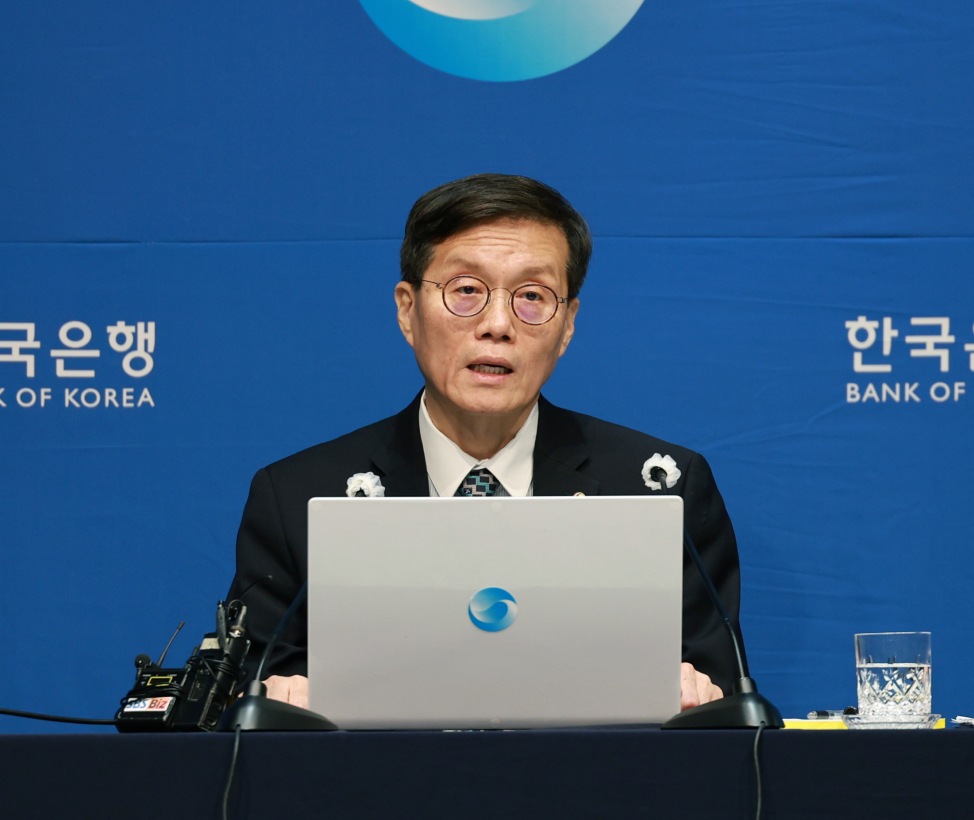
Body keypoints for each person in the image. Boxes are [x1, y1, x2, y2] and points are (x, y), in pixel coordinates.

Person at [228, 174, 745, 713]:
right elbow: (258, 693)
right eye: (467, 291)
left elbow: (722, 691)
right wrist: (274, 697)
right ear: (407, 311)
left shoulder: (660, 489)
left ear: (567, 325)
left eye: (532, 297)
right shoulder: (297, 498)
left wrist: (700, 693)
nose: (497, 325)